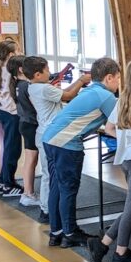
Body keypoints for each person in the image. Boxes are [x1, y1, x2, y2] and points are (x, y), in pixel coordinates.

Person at [42, 57, 120, 248]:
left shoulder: (91, 91)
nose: (119, 82)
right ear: (109, 78)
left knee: (57, 187)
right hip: (66, 144)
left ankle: (56, 232)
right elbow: (119, 124)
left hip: (50, 138)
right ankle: (70, 233)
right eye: (118, 78)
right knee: (68, 189)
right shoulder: (106, 97)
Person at [87, 58, 131, 262]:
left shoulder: (123, 99)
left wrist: (124, 141)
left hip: (125, 158)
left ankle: (102, 243)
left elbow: (109, 128)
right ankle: (119, 251)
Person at [23, 56, 90, 223]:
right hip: (50, 134)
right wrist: (81, 81)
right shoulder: (44, 89)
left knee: (49, 173)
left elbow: (63, 95)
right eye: (47, 70)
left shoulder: (35, 87)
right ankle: (46, 210)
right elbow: (67, 95)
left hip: (45, 133)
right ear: (38, 74)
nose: (50, 73)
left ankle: (48, 208)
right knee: (49, 174)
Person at [9, 55, 41, 208]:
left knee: (30, 159)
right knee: (31, 160)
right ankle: (28, 193)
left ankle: (28, 192)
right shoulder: (25, 86)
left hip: (26, 123)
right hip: (30, 124)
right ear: (22, 70)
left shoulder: (19, 84)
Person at [0, 39, 23, 197]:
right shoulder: (10, 69)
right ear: (11, 55)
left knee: (9, 147)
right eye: (18, 51)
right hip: (11, 112)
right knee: (13, 149)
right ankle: (8, 184)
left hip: (3, 110)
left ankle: (2, 180)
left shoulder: (0, 67)